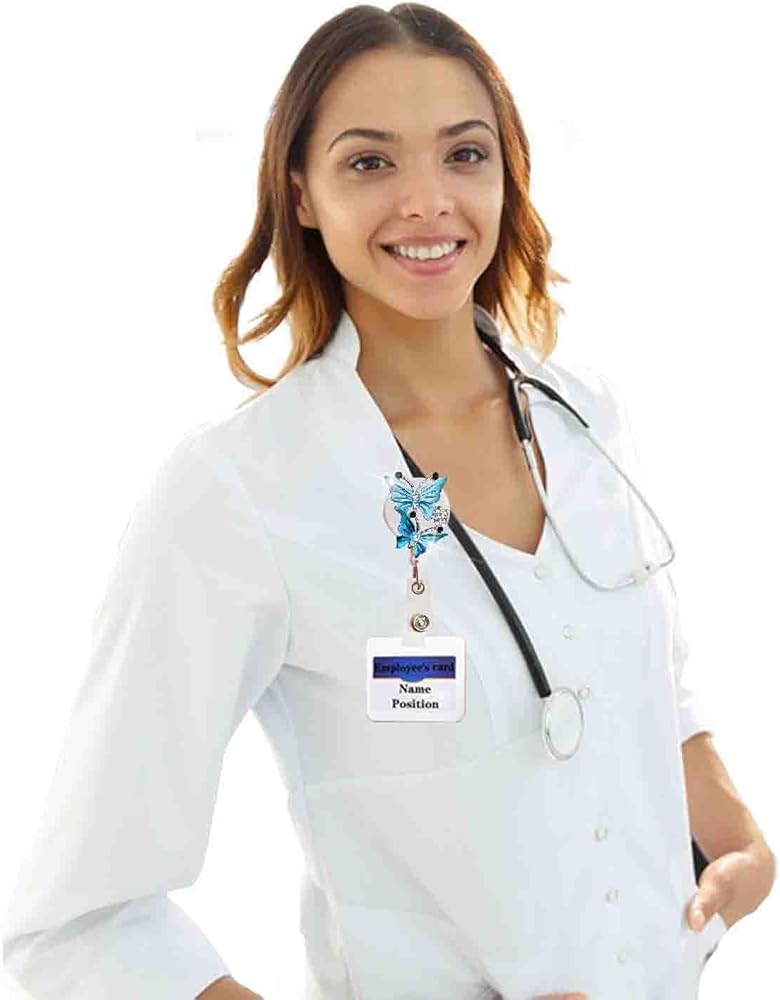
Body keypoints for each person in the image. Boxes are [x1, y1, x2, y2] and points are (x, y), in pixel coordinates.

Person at [2, 4, 775, 999]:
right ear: (302, 193)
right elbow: (79, 922)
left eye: (464, 154)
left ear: (507, 173)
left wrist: (737, 834)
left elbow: (637, 669)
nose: (427, 202)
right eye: (370, 162)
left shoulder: (586, 419)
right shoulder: (242, 489)